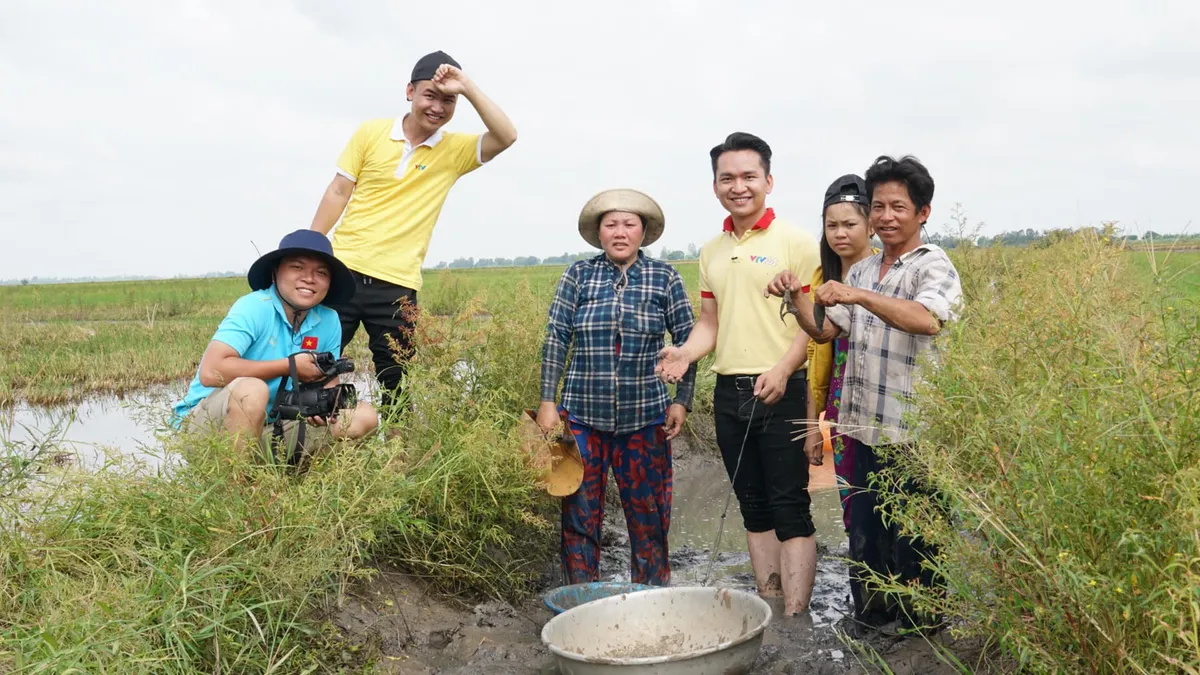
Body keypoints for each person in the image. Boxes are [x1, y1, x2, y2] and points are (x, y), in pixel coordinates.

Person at [768, 155, 963, 633]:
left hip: (913, 432)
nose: (887, 216)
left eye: (899, 206)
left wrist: (860, 297)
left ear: (923, 212)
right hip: (863, 427)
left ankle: (921, 631)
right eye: (879, 206)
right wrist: (796, 297)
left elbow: (928, 320)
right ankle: (872, 621)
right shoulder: (861, 271)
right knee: (867, 532)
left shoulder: (931, 264)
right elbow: (823, 332)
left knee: (914, 535)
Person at [656, 132, 821, 616]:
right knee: (752, 505)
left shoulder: (795, 241)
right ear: (715, 186)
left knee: (790, 506)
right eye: (727, 178)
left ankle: (796, 617)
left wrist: (784, 367)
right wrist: (686, 354)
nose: (739, 186)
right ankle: (768, 602)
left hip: (783, 389)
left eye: (749, 176)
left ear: (768, 181)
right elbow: (710, 323)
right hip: (730, 392)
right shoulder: (710, 251)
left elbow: (813, 325)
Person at [309, 50, 518, 413]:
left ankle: (396, 460)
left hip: (398, 284)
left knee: (396, 380)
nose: (438, 107)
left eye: (448, 100)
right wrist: (311, 250)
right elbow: (339, 190)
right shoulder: (371, 132)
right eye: (430, 96)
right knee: (315, 367)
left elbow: (507, 135)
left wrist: (467, 86)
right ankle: (311, 452)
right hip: (342, 272)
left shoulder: (455, 150)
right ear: (410, 91)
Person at [538, 189, 696, 587]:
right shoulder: (579, 275)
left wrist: (683, 401)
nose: (620, 232)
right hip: (582, 420)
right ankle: (582, 600)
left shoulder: (665, 277)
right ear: (599, 232)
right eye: (611, 225)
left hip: (645, 420)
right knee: (579, 515)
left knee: (649, 517)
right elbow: (556, 338)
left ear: (643, 232)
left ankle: (652, 598)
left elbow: (688, 342)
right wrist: (547, 401)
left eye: (629, 224)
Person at [171, 230, 379, 462]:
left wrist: (323, 409)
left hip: (273, 427)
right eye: (297, 267)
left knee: (363, 416)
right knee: (252, 390)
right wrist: (289, 366)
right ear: (275, 273)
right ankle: (235, 489)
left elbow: (328, 385)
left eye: (321, 272)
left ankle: (294, 479)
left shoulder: (329, 320)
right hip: (208, 430)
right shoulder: (254, 307)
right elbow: (211, 372)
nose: (309, 278)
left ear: (329, 283)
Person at [804, 174, 878, 531]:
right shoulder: (821, 277)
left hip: (882, 410)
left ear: (871, 225)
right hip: (841, 408)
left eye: (849, 224)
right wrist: (812, 428)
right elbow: (812, 353)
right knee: (853, 505)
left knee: (888, 505)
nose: (840, 233)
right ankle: (862, 582)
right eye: (831, 225)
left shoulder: (886, 276)